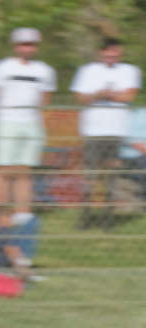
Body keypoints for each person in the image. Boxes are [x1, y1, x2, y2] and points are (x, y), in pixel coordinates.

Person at [0, 27, 55, 220]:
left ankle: (22, 214)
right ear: (16, 46)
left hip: (32, 124)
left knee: (25, 171)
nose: (28, 48)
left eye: (31, 44)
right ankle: (1, 215)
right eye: (24, 44)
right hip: (6, 122)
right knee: (4, 170)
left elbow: (45, 99)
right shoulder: (1, 68)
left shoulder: (45, 70)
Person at [71, 37, 140, 229]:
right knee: (90, 176)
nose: (112, 55)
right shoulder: (87, 71)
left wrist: (106, 94)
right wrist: (99, 95)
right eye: (108, 52)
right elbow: (80, 97)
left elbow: (129, 95)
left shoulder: (130, 71)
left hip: (116, 131)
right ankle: (85, 216)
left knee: (111, 175)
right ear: (101, 52)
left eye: (116, 52)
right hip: (93, 131)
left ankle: (108, 219)